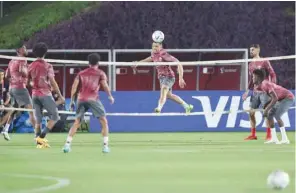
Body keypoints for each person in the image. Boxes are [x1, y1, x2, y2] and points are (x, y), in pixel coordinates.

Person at [63, 53, 114, 153]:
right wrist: (110, 96)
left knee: (77, 122)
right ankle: (105, 146)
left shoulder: (81, 73)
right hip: (93, 99)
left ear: (88, 62)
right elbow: (104, 85)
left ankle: (67, 145)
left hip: (81, 99)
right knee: (103, 121)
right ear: (98, 62)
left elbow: (74, 87)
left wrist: (72, 101)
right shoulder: (100, 73)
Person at [133, 41, 193, 113]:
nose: (154, 48)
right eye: (153, 46)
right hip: (161, 78)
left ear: (161, 47)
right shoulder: (153, 54)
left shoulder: (164, 54)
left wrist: (181, 78)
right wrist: (138, 63)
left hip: (169, 77)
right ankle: (187, 106)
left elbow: (178, 63)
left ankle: (159, 108)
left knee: (164, 90)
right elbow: (148, 59)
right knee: (168, 95)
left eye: (157, 46)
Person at [28, 42, 64, 148]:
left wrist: (34, 85)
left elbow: (28, 81)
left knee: (38, 119)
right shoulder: (47, 66)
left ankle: (39, 143)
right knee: (55, 116)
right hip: (45, 94)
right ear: (45, 52)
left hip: (34, 94)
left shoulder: (30, 66)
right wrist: (60, 96)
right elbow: (53, 81)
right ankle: (42, 137)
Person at [242, 44, 277, 141]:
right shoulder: (250, 64)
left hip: (265, 92)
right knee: (251, 113)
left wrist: (272, 87)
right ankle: (253, 135)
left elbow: (273, 74)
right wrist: (247, 91)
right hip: (255, 92)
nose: (251, 51)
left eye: (252, 50)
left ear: (258, 50)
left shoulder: (264, 61)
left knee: (266, 113)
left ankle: (269, 135)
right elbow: (251, 79)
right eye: (250, 50)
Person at [252, 69, 294, 144]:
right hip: (280, 99)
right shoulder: (261, 86)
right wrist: (265, 105)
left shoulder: (265, 84)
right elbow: (273, 97)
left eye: (253, 76)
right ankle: (274, 139)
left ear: (258, 77)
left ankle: (285, 139)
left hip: (288, 98)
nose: (252, 78)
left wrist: (266, 109)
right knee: (269, 115)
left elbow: (275, 98)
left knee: (277, 115)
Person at [4, 45, 36, 140]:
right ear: (19, 50)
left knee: (15, 109)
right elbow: (24, 71)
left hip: (12, 88)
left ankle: (5, 130)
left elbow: (6, 75)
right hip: (20, 88)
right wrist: (29, 74)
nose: (26, 50)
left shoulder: (11, 61)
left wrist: (14, 81)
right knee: (31, 110)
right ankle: (38, 136)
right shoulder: (23, 59)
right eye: (24, 48)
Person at [0, 68, 13, 140]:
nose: (1, 76)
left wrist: (4, 104)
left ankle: (4, 129)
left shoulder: (6, 82)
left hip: (4, 103)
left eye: (2, 74)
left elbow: (9, 95)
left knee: (12, 109)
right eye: (0, 75)